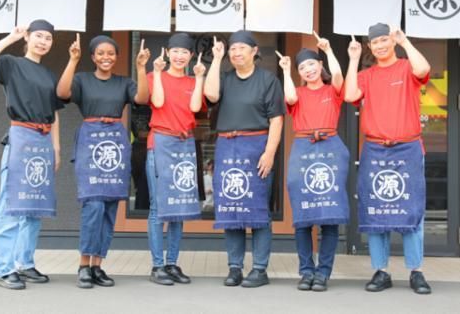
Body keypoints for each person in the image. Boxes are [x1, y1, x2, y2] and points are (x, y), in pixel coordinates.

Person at [344, 23, 432, 295]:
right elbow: (350, 95)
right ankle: (381, 270)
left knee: (412, 210)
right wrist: (353, 59)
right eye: (375, 42)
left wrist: (405, 42)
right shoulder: (367, 75)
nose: (380, 45)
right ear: (370, 47)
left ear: (392, 41)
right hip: (375, 149)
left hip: (408, 148)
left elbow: (423, 69)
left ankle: (416, 271)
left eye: (384, 40)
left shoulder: (406, 67)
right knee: (376, 210)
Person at [57, 34, 150, 289]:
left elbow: (142, 99)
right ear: (93, 56)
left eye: (110, 53)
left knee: (109, 208)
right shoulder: (82, 79)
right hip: (90, 142)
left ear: (117, 56)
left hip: (115, 144)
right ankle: (83, 265)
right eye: (100, 53)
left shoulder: (124, 82)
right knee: (93, 205)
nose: (106, 57)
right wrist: (72, 60)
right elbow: (62, 92)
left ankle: (97, 265)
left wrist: (141, 68)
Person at [0, 19, 64, 290]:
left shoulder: (49, 75)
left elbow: (54, 113)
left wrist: (56, 148)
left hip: (43, 141)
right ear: (27, 37)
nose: (43, 42)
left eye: (48, 38)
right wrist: (10, 38)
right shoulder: (12, 64)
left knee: (34, 206)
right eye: (38, 36)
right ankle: (4, 268)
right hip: (20, 137)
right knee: (11, 205)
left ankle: (24, 263)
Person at [204, 31, 285, 288]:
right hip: (227, 146)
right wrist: (217, 59)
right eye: (232, 49)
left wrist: (269, 153)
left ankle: (260, 268)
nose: (236, 52)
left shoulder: (268, 80)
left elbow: (276, 119)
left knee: (258, 209)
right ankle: (235, 267)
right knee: (231, 207)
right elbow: (211, 95)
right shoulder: (225, 79)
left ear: (254, 51)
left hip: (257, 147)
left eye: (242, 48)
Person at [278, 33, 350, 292]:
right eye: (302, 68)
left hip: (330, 146)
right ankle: (306, 271)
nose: (307, 70)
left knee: (329, 216)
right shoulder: (297, 93)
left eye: (311, 64)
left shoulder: (333, 91)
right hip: (303, 147)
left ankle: (323, 273)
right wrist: (285, 71)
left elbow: (339, 76)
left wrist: (328, 51)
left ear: (320, 65)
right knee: (303, 215)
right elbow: (289, 98)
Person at [146, 33, 207, 285]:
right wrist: (157, 72)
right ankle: (157, 265)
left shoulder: (193, 81)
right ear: (167, 52)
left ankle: (172, 263)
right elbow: (158, 101)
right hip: (160, 142)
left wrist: (200, 78)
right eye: (175, 51)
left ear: (191, 56)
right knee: (158, 208)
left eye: (184, 52)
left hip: (184, 144)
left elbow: (195, 108)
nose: (180, 56)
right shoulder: (153, 77)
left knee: (179, 207)